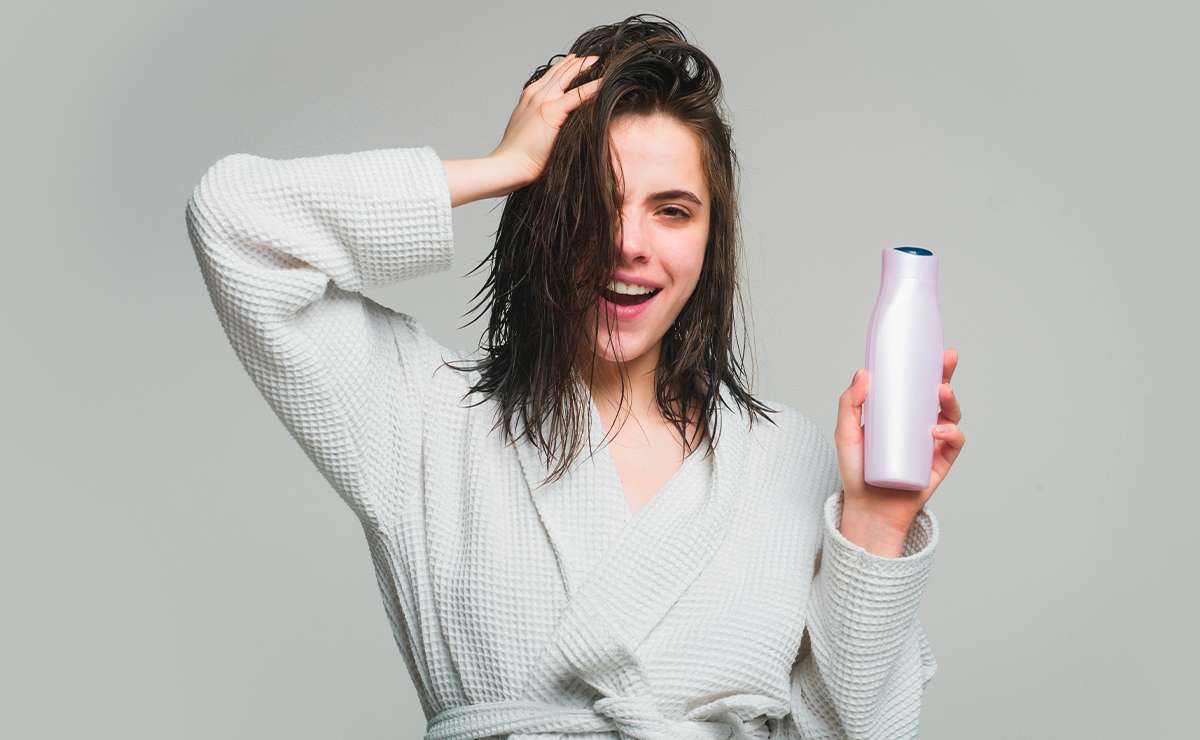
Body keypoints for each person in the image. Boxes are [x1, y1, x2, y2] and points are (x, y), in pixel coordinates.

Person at [184, 13, 964, 740]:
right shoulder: (425, 416)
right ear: (541, 214)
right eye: (594, 201)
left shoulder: (792, 460)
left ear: (710, 242)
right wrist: (502, 165)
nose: (629, 244)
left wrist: (877, 524)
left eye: (673, 210)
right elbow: (234, 221)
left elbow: (853, 731)